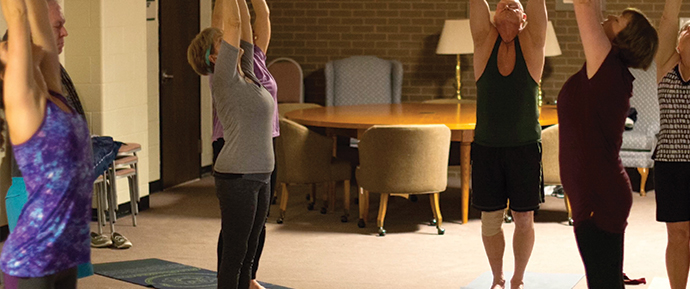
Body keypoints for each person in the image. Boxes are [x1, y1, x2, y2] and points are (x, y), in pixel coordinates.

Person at [557, 0, 658, 287]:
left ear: (622, 41)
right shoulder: (608, 68)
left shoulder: (607, 66)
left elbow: (585, 5)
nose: (610, 17)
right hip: (601, 192)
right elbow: (595, 11)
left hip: (598, 196)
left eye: (619, 20)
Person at [0, 0, 94, 286]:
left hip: (65, 256)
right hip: (33, 261)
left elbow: (38, 20)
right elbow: (17, 15)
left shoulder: (55, 92)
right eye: (59, 26)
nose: (62, 33)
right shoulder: (25, 106)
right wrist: (19, 27)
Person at [187, 0, 275, 287]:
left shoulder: (247, 73)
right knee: (235, 254)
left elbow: (246, 25)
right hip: (237, 175)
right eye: (222, 42)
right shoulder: (224, 79)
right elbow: (235, 24)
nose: (232, 43)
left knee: (249, 253)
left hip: (261, 174)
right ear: (215, 57)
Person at [468, 0, 546, 288]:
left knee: (524, 217)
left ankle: (518, 277)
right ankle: (497, 275)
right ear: (493, 16)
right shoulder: (484, 42)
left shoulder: (533, 44)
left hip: (524, 146)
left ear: (524, 18)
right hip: (488, 147)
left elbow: (538, 5)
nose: (508, 7)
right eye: (502, 5)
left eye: (514, 5)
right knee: (490, 219)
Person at [654, 0, 690, 287]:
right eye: (687, 29)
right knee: (677, 235)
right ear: (678, 43)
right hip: (670, 163)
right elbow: (669, 17)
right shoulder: (666, 66)